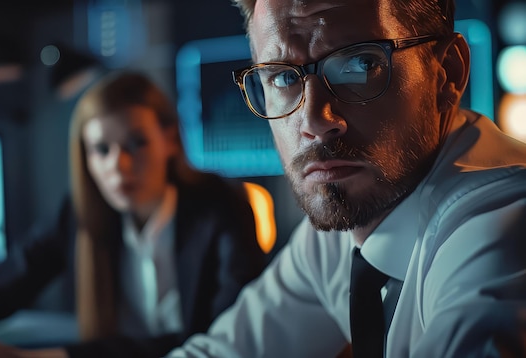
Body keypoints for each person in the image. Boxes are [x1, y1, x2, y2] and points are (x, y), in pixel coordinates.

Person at [167, 0, 526, 357]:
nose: (313, 121)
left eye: (361, 63)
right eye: (283, 77)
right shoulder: (341, 229)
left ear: (447, 72)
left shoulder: (504, 227)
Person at [0, 71, 266, 358]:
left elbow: (216, 337)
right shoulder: (81, 214)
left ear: (169, 139)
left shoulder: (221, 207)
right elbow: (12, 276)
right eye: (101, 149)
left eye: (136, 143)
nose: (118, 165)